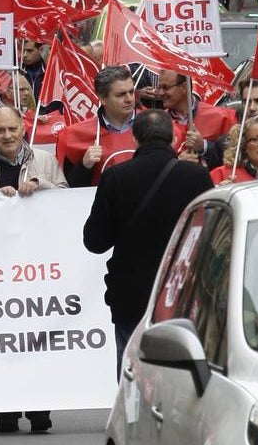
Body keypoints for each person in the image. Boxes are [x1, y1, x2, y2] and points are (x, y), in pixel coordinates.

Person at [82, 109, 213, 379]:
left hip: (132, 294)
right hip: (183, 292)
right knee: (182, 373)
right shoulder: (197, 176)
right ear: (173, 136)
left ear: (135, 137)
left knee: (133, 373)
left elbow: (95, 241)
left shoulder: (116, 177)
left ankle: (133, 421)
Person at [0, 105, 68, 434]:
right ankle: (5, 410)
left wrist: (42, 184)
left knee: (36, 339)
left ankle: (39, 409)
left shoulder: (46, 161)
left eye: (13, 129)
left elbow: (67, 200)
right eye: (0, 131)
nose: (7, 136)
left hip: (35, 267)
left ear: (23, 128)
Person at [55, 64, 137, 187]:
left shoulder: (154, 125)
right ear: (103, 98)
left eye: (131, 92)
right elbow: (68, 189)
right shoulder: (74, 136)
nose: (129, 99)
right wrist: (84, 166)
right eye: (121, 94)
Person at [156, 68, 235, 156]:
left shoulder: (221, 117)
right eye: (159, 87)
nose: (160, 93)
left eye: (166, 88)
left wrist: (204, 146)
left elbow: (233, 155)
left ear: (184, 87)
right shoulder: (158, 122)